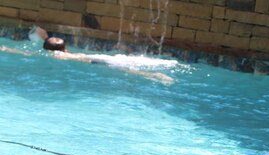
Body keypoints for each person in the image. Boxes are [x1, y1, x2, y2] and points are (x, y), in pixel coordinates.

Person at [0, 26, 174, 85]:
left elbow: (28, 53)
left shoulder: (56, 56)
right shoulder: (64, 53)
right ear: (65, 48)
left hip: (94, 62)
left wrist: (6, 49)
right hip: (95, 59)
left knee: (126, 69)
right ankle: (153, 73)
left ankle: (153, 75)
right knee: (124, 66)